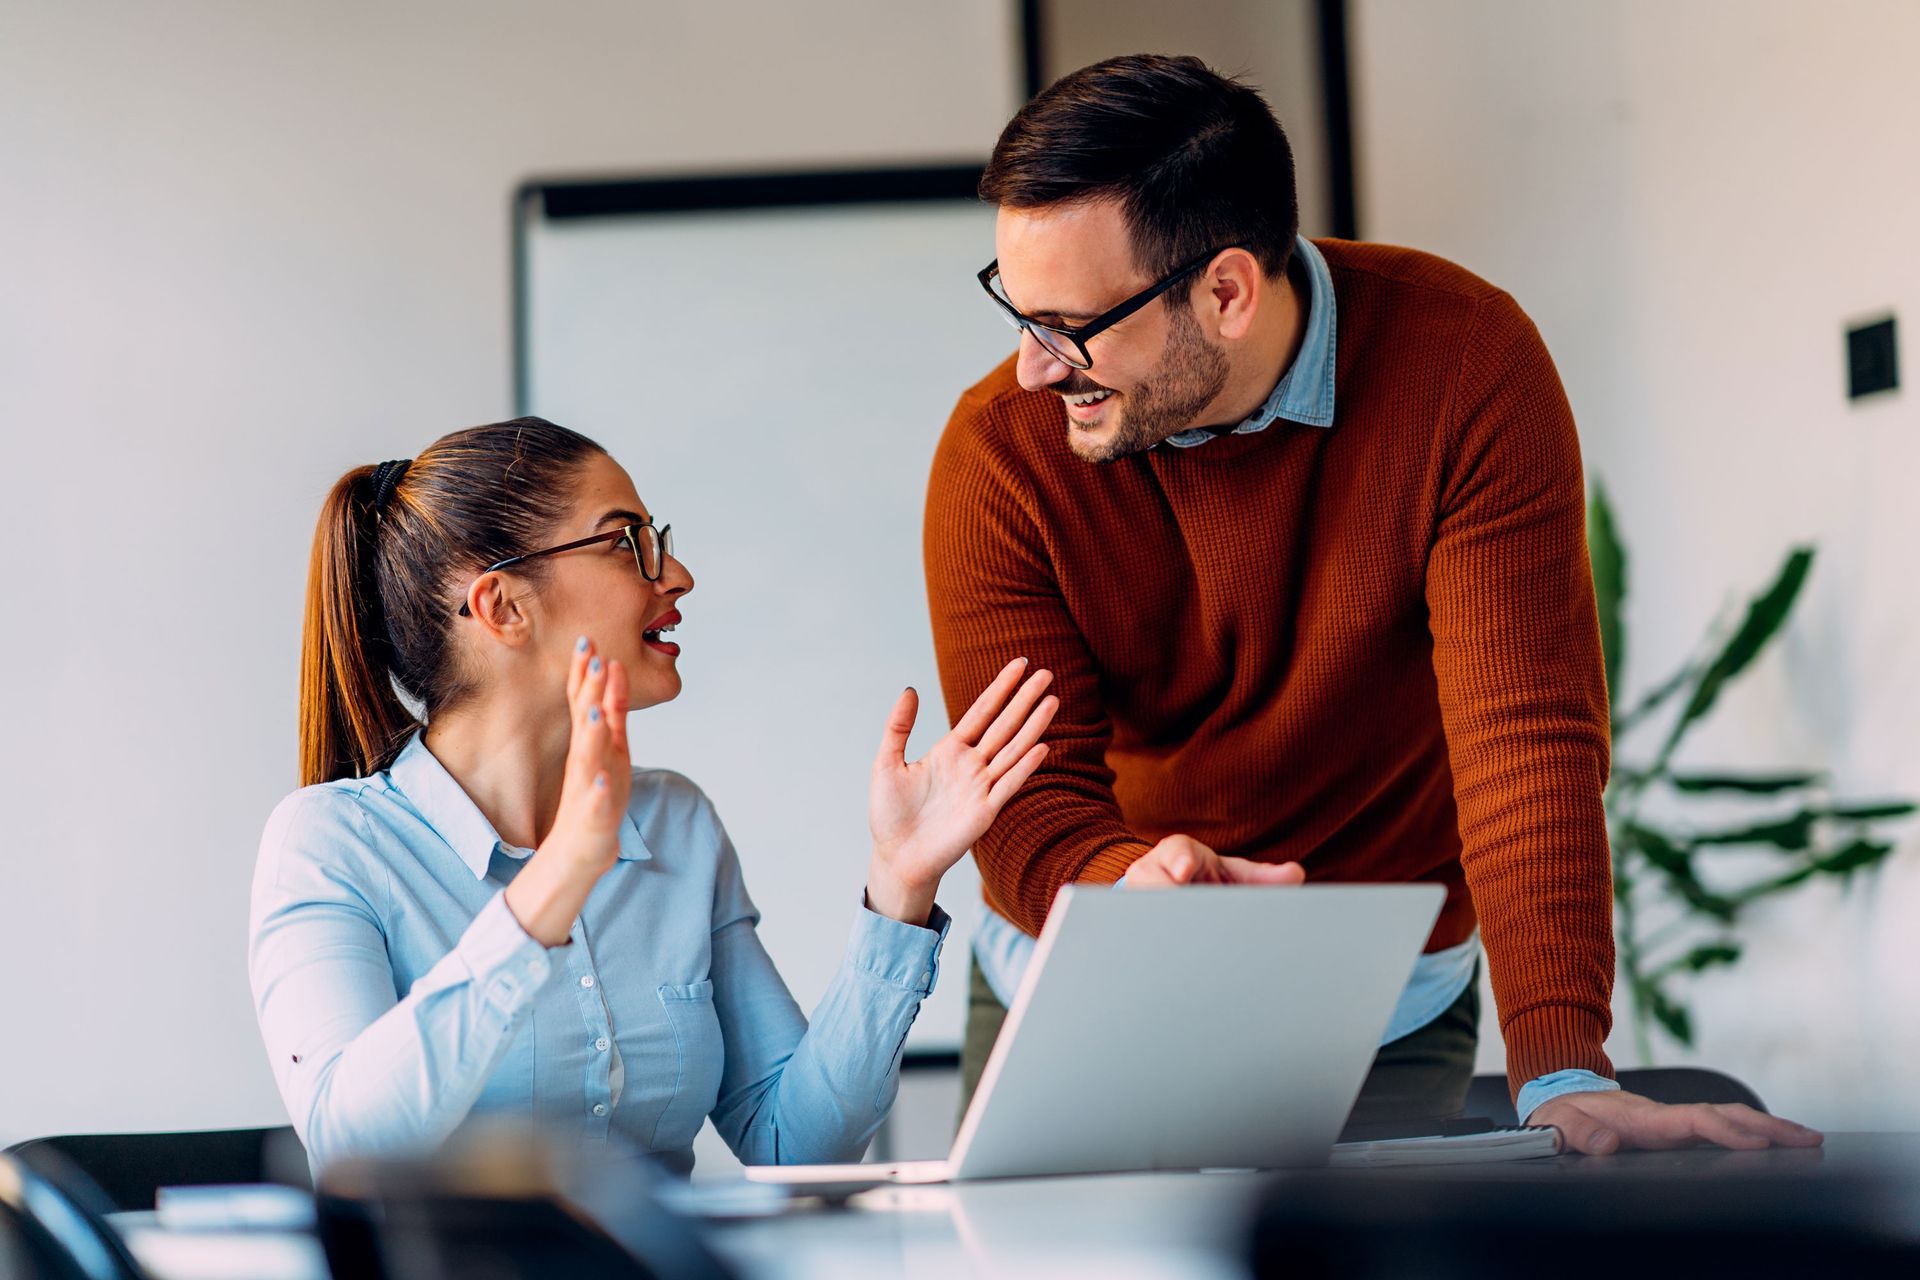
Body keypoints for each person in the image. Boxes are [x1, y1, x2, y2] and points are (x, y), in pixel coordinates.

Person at [924, 54, 1819, 1156]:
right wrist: (1139, 889)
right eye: (1016, 311)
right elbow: (1027, 800)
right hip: (1086, 973)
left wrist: (1561, 1066)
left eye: (1067, 325)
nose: (1030, 369)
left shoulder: (1465, 367)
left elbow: (1524, 738)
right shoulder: (1000, 457)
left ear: (1226, 292)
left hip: (1378, 999)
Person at [250, 416, 1057, 1173]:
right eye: (625, 542)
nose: (677, 575)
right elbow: (351, 1145)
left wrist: (901, 883)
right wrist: (556, 880)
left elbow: (793, 1144)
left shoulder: (678, 826)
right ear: (503, 606)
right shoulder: (329, 844)